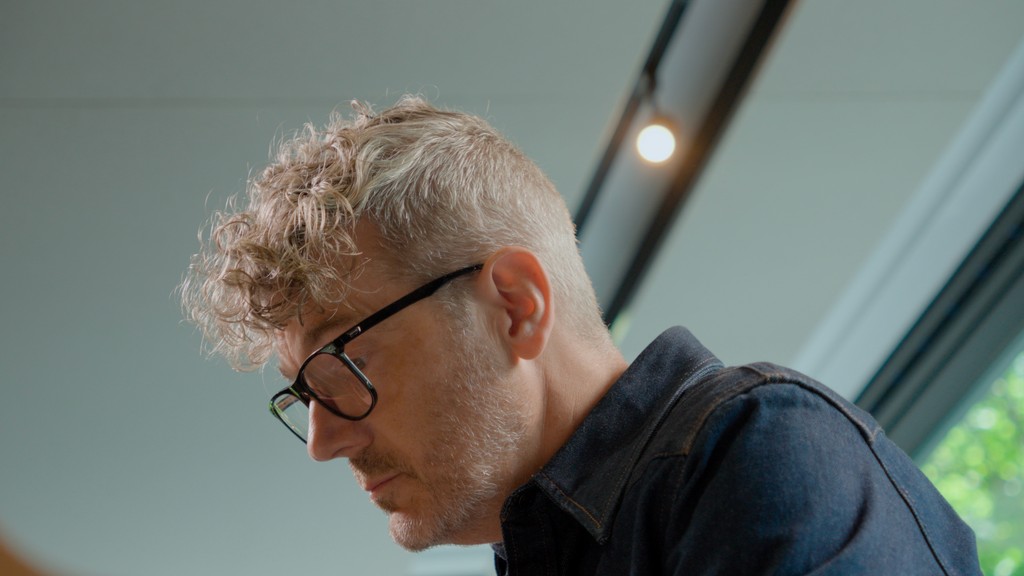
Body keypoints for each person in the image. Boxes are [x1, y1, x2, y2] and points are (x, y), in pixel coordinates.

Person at [181, 96, 982, 575]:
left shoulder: (760, 452)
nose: (322, 442)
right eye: (304, 396)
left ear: (516, 306)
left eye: (343, 365)